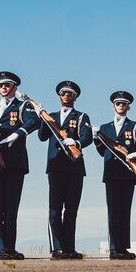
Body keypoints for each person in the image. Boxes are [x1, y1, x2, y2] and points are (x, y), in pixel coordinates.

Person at [0, 71, 40, 259]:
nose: (3, 88)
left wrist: (18, 133)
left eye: (7, 85)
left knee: (11, 206)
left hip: (14, 163)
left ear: (15, 87)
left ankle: (10, 247)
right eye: (1, 86)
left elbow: (34, 122)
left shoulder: (23, 107)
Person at [36, 80, 93, 259]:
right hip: (55, 167)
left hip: (74, 167)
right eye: (63, 94)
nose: (66, 96)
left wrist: (76, 142)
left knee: (71, 210)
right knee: (54, 209)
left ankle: (69, 247)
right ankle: (57, 247)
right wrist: (41, 119)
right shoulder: (50, 116)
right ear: (59, 96)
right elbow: (42, 137)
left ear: (75, 97)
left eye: (70, 94)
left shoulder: (81, 117)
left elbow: (87, 137)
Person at [95, 91, 136, 260]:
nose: (121, 106)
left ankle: (123, 247)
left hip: (128, 173)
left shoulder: (134, 126)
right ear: (113, 106)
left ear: (128, 107)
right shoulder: (105, 128)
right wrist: (97, 139)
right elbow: (102, 152)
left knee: (125, 210)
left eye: (124, 104)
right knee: (113, 211)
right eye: (118, 104)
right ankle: (114, 247)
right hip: (111, 174)